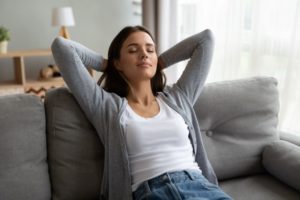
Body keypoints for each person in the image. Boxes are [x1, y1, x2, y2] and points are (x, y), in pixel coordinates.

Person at [51, 25, 232, 200]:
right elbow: (62, 47)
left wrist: (159, 62)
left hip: (201, 186)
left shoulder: (179, 97)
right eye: (132, 50)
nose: (144, 54)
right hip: (153, 191)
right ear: (118, 63)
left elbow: (206, 40)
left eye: (150, 49)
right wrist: (107, 65)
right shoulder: (106, 107)